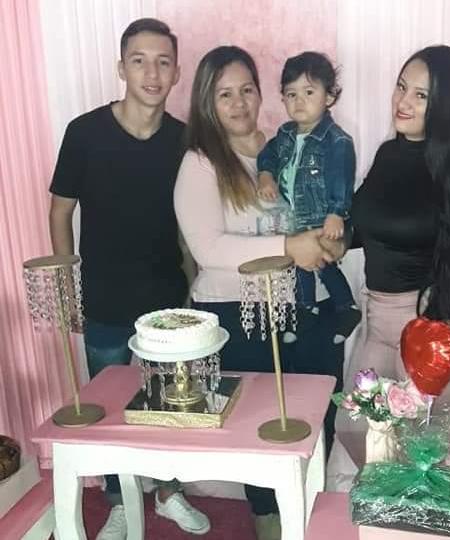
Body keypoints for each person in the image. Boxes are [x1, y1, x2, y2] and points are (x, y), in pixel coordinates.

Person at [48, 18, 210, 539]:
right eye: (140, 61)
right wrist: (68, 287)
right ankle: (121, 501)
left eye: (163, 62)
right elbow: (61, 211)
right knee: (110, 407)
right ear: (121, 68)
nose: (152, 73)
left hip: (168, 299)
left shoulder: (185, 141)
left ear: (177, 72)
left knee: (172, 404)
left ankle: (167, 493)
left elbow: (190, 225)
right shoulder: (84, 133)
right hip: (104, 298)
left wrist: (194, 293)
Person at [174, 45, 344, 540]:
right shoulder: (201, 163)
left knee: (318, 414)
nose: (239, 103)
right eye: (224, 94)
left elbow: (319, 212)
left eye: (246, 89)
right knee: (260, 426)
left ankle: (311, 514)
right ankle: (269, 520)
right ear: (207, 103)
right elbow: (207, 249)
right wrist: (290, 247)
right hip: (238, 312)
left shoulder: (283, 147)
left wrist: (334, 239)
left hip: (304, 305)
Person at [327, 45, 450, 491]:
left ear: (445, 105)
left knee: (409, 450)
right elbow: (371, 230)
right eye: (401, 87)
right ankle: (378, 514)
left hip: (435, 322)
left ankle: (405, 521)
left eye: (421, 95)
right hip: (379, 319)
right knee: (353, 428)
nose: (403, 101)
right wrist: (333, 241)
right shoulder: (388, 155)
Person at [257, 51, 361, 344]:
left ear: (329, 96)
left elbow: (342, 177)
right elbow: (268, 154)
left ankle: (347, 307)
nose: (299, 101)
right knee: (299, 263)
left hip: (321, 217)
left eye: (309, 92)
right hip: (291, 217)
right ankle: (306, 308)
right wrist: (265, 174)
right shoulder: (285, 134)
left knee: (324, 263)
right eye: (291, 94)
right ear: (282, 98)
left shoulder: (336, 140)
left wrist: (336, 212)